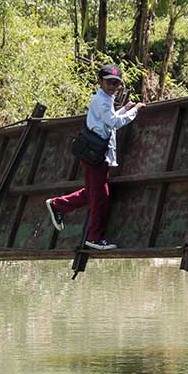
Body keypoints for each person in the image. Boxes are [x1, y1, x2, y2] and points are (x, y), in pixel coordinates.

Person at [45, 64, 144, 250]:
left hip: (95, 153)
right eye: (109, 82)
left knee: (95, 193)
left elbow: (108, 119)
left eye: (116, 83)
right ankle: (94, 237)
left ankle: (58, 205)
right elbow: (114, 123)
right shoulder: (102, 100)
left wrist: (125, 109)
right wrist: (135, 110)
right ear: (100, 82)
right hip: (95, 154)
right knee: (100, 196)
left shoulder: (105, 99)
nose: (113, 86)